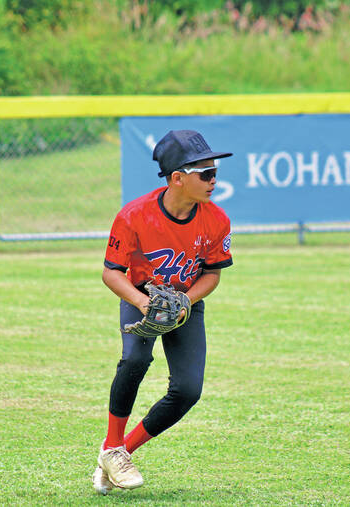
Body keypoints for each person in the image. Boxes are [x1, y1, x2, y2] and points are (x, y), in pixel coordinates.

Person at [92, 130, 234, 494]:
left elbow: (212, 274)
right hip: (141, 297)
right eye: (205, 173)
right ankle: (113, 443)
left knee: (187, 390)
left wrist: (186, 301)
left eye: (215, 172)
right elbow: (111, 273)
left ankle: (117, 453)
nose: (213, 180)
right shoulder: (134, 216)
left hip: (186, 304)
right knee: (135, 360)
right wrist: (143, 303)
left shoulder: (216, 219)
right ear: (178, 178)